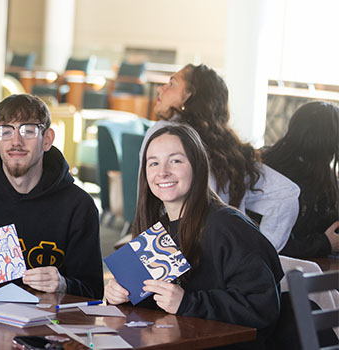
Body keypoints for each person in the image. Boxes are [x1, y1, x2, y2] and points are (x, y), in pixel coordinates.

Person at [107, 124, 283, 348]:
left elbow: (263, 308)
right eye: (154, 163)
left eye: (176, 161)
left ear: (197, 166)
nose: (163, 172)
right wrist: (120, 296)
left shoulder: (229, 227)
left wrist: (187, 303)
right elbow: (147, 309)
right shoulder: (155, 231)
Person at [0, 94, 102, 298]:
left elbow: (94, 291)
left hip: (48, 325)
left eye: (28, 131)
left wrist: (64, 284)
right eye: (5, 131)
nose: (16, 141)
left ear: (47, 140)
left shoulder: (79, 206)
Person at [141, 64, 299, 252]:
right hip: (223, 259)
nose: (161, 88)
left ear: (190, 96)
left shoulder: (163, 134)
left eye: (172, 83)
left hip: (175, 262)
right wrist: (259, 251)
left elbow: (146, 202)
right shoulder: (228, 149)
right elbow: (286, 194)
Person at [262, 101, 339, 258]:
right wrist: (325, 243)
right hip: (287, 272)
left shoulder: (264, 161)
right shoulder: (291, 183)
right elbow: (275, 245)